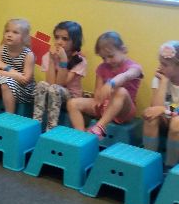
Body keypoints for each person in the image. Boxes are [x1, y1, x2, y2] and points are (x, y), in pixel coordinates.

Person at [67, 31, 143, 140]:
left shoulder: (134, 67)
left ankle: (99, 127)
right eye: (103, 58)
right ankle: (81, 137)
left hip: (124, 111)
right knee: (72, 103)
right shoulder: (102, 68)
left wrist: (111, 83)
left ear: (123, 50)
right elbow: (98, 92)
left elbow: (125, 76)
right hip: (104, 106)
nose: (107, 61)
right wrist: (98, 99)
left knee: (120, 91)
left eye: (111, 56)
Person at [32, 21, 87, 131]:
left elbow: (61, 84)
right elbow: (50, 83)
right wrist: (52, 60)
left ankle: (51, 128)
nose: (59, 42)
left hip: (71, 98)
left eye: (65, 39)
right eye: (57, 37)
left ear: (75, 42)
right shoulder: (49, 56)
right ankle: (36, 123)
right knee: (42, 84)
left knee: (55, 89)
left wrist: (63, 61)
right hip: (53, 94)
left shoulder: (80, 61)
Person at [0, 18, 36, 116]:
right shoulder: (0, 49)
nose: (9, 34)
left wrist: (5, 67)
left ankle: (9, 116)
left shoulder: (28, 55)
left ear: (24, 37)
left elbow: (25, 79)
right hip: (6, 82)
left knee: (6, 84)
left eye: (15, 32)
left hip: (24, 90)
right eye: (7, 31)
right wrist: (16, 75)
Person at [142, 41, 179, 172]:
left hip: (175, 120)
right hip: (166, 118)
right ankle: (148, 161)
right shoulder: (159, 78)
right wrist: (163, 82)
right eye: (160, 63)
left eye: (165, 65)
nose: (160, 67)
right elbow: (154, 108)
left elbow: (163, 109)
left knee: (176, 122)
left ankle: (170, 166)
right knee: (150, 117)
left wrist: (164, 109)